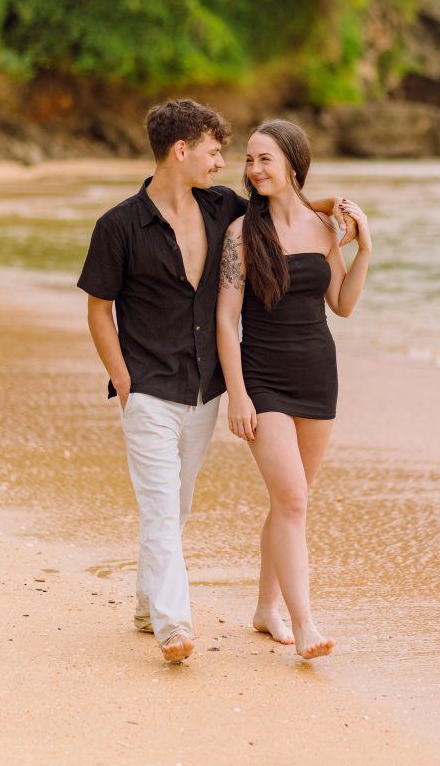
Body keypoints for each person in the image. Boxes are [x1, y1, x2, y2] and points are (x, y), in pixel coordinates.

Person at [77, 99, 353, 663]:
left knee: (174, 509)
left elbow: (282, 206)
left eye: (237, 155)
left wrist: (334, 214)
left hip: (202, 388)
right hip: (148, 388)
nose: (226, 164)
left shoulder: (220, 208)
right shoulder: (118, 226)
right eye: (214, 150)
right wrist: (123, 380)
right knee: (163, 507)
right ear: (182, 150)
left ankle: (147, 603)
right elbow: (98, 309)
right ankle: (175, 626)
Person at [216, 119, 371, 660]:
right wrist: (237, 393)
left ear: (292, 165)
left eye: (266, 160)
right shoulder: (241, 233)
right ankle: (304, 624)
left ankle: (265, 608)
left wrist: (365, 249)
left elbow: (343, 305)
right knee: (294, 501)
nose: (254, 170)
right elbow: (224, 319)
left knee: (289, 503)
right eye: (250, 160)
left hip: (317, 377)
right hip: (264, 379)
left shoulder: (325, 228)